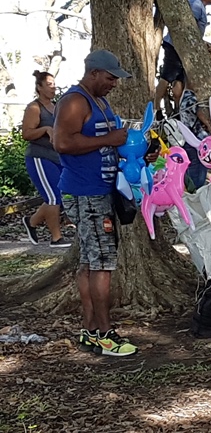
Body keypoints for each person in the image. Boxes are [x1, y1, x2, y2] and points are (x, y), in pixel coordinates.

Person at [53, 49, 138, 356]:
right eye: (110, 77)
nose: (114, 83)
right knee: (102, 263)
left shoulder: (100, 101)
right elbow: (61, 142)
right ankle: (105, 334)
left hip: (101, 189)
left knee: (91, 261)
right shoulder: (75, 100)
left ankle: (89, 331)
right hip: (85, 191)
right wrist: (109, 140)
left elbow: (110, 139)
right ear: (93, 74)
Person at [20, 71, 72, 248]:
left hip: (57, 157)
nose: (53, 87)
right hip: (39, 157)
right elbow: (26, 134)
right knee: (52, 197)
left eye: (54, 84)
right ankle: (56, 238)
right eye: (49, 84)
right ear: (39, 87)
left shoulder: (56, 106)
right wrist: (45, 129)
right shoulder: (34, 108)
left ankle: (32, 222)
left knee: (59, 195)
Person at [154, 0, 211, 115]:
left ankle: (178, 110)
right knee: (167, 76)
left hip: (180, 48)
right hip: (175, 47)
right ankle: (156, 108)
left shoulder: (197, 4)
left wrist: (201, 42)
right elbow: (187, 27)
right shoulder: (197, 5)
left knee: (179, 80)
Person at [176, 78, 211, 188]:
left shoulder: (184, 97)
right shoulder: (190, 97)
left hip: (189, 139)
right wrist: (210, 127)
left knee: (194, 168)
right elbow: (199, 112)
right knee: (197, 170)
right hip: (195, 140)